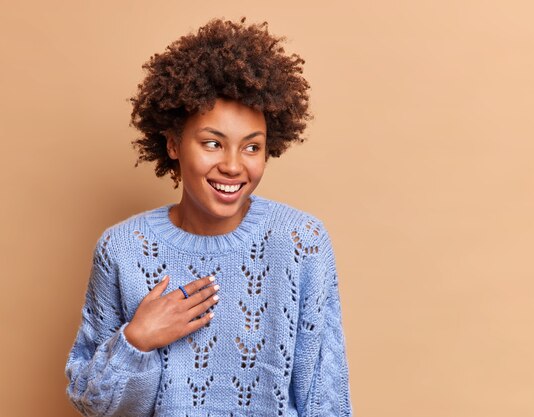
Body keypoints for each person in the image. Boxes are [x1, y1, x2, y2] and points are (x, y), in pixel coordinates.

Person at [64, 17, 353, 417]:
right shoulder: (122, 249)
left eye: (252, 148)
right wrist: (137, 340)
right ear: (173, 144)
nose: (233, 166)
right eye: (213, 143)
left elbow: (325, 397)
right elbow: (95, 404)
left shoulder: (300, 242)